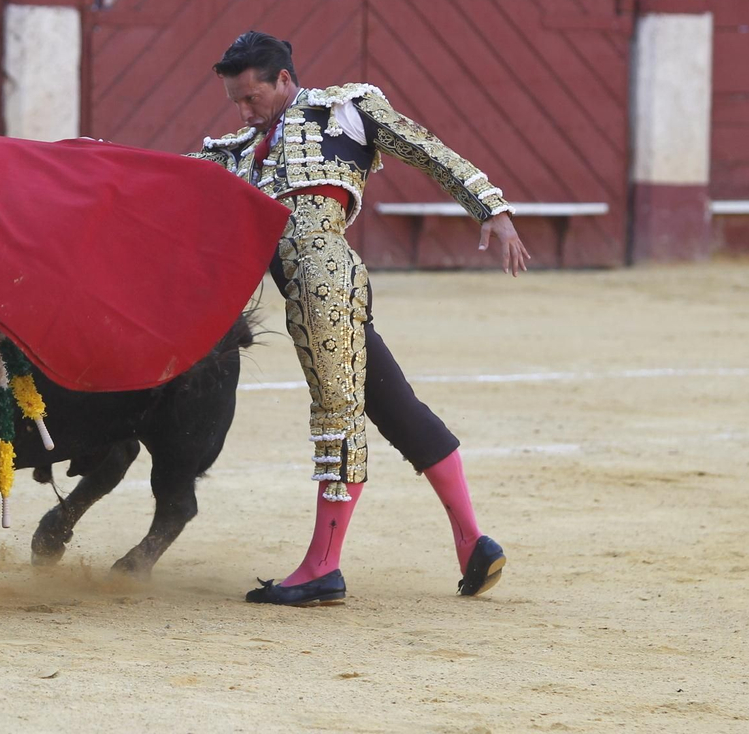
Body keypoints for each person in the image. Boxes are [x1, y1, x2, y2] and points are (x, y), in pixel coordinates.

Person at [190, 31, 528, 605]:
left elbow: (425, 148)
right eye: (236, 102)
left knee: (336, 414)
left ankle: (323, 567)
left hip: (324, 279)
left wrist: (491, 207)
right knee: (397, 407)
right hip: (306, 292)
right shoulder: (237, 150)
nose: (244, 112)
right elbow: (167, 180)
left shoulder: (344, 110)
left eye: (251, 98)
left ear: (283, 80)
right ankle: (474, 542)